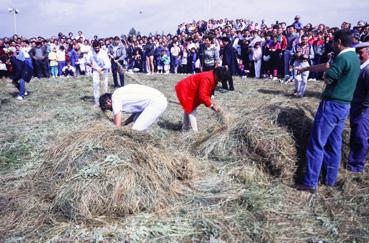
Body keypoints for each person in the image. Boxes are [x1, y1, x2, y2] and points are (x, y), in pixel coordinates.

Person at [296, 30, 360, 192]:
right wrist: (307, 69)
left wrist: (331, 62)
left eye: (333, 42)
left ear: (339, 42)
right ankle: (330, 180)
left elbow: (327, 78)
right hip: (344, 105)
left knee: (317, 143)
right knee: (334, 143)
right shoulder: (354, 57)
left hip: (331, 105)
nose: (331, 44)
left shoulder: (342, 58)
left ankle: (310, 183)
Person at [175, 67, 231, 131]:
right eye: (219, 79)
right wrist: (211, 105)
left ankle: (185, 127)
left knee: (188, 109)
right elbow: (202, 95)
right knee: (191, 110)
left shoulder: (213, 77)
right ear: (217, 75)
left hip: (191, 90)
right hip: (187, 89)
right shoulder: (207, 78)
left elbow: (207, 91)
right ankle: (194, 132)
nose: (219, 81)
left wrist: (210, 102)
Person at [99, 84, 168, 131]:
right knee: (136, 119)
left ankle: (144, 145)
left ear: (108, 101)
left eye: (107, 108)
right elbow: (137, 112)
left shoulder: (115, 98)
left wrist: (115, 135)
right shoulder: (119, 93)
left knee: (136, 130)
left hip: (156, 102)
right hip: (157, 98)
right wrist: (125, 123)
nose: (110, 110)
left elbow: (117, 121)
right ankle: (144, 140)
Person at [347, 42, 369, 173]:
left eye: (360, 53)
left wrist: (364, 108)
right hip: (356, 106)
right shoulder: (360, 67)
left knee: (360, 136)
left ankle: (356, 166)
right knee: (356, 134)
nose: (358, 56)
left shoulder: (367, 70)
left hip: (363, 109)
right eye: (357, 53)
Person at [86, 41, 111, 106]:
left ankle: (105, 101)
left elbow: (108, 64)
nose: (97, 49)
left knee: (104, 86)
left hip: (103, 71)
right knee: (95, 86)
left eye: (98, 48)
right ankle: (97, 102)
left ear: (100, 47)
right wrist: (93, 66)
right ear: (93, 47)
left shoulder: (103, 53)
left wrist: (102, 69)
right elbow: (87, 62)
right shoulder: (90, 52)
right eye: (95, 48)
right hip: (95, 71)